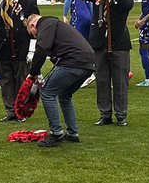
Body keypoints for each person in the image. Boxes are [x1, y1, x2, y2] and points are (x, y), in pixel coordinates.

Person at [24, 13, 97, 148]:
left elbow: (42, 48)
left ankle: (56, 133)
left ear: (33, 25)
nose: (35, 36)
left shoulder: (45, 24)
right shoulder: (56, 25)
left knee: (47, 92)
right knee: (64, 95)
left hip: (73, 61)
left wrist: (33, 72)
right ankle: (72, 133)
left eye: (33, 33)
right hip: (88, 63)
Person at [76, 0, 135, 126]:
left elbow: (126, 5)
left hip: (119, 43)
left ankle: (121, 115)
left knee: (120, 82)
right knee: (102, 80)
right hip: (100, 43)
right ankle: (105, 114)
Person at [0, 0, 38, 121]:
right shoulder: (3, 1)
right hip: (4, 47)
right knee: (6, 81)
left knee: (21, 80)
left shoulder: (30, 2)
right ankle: (10, 111)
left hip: (21, 48)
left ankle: (20, 111)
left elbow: (35, 26)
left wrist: (32, 49)